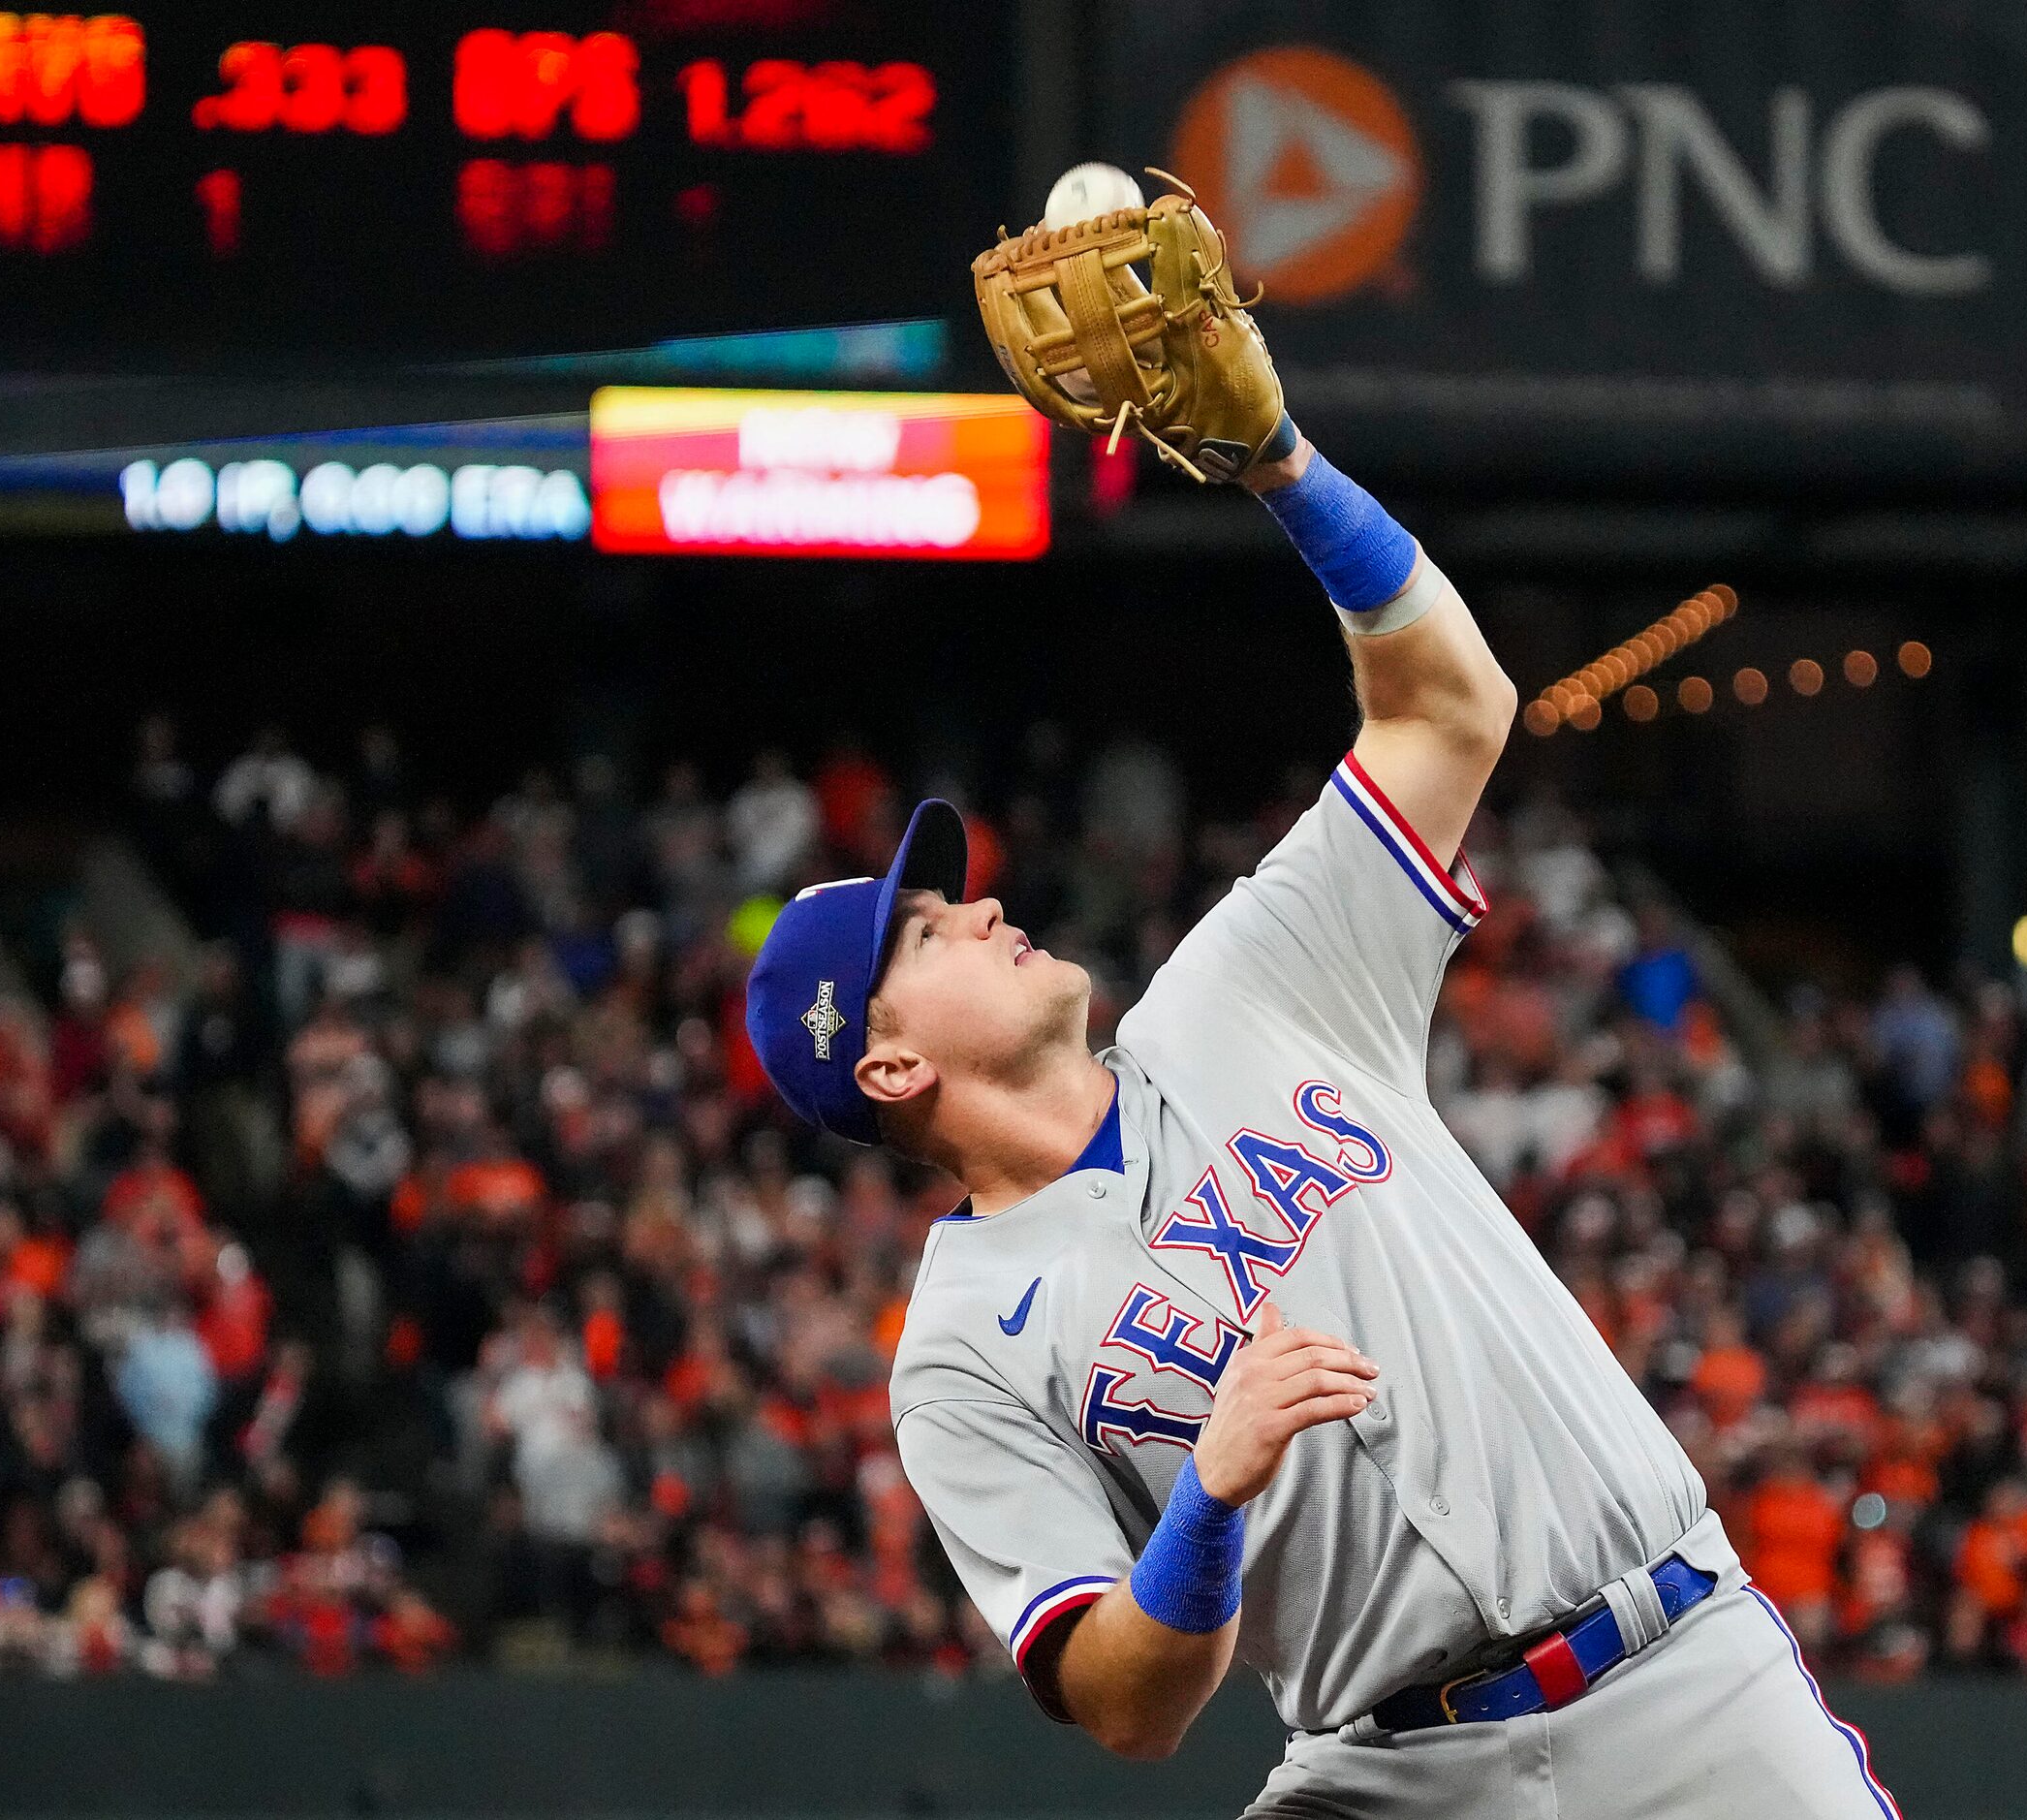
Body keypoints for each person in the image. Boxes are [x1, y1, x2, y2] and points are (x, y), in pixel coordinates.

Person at [744, 428, 1900, 1816]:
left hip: (1682, 1689)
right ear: (883, 1067)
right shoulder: (955, 1354)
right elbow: (1121, 1701)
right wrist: (1205, 1502)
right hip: (1390, 1773)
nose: (984, 903)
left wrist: (1283, 466)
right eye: (926, 933)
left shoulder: (1241, 991)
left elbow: (1451, 710)